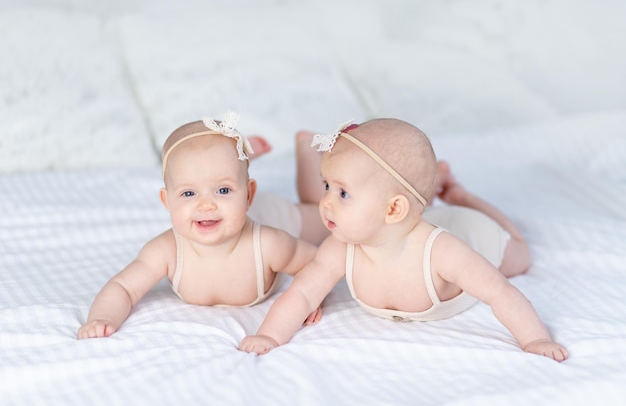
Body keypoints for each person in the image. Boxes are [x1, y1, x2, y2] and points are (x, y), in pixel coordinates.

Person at [238, 118, 568, 362]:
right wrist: (270, 335)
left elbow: (500, 292)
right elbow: (303, 292)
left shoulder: (443, 253)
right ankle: (439, 188)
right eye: (326, 186)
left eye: (343, 193)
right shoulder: (341, 246)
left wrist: (534, 340)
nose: (326, 202)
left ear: (394, 208)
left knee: (520, 254)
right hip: (408, 224)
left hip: (470, 232)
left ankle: (463, 196)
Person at [77, 111, 322, 339]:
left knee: (318, 212)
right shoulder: (166, 250)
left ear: (249, 194)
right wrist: (102, 318)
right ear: (167, 201)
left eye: (223, 190)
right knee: (218, 168)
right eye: (188, 194)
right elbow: (123, 288)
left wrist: (310, 297)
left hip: (271, 214)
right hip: (235, 209)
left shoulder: (268, 243)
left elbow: (317, 265)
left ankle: (306, 146)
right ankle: (240, 161)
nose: (206, 206)